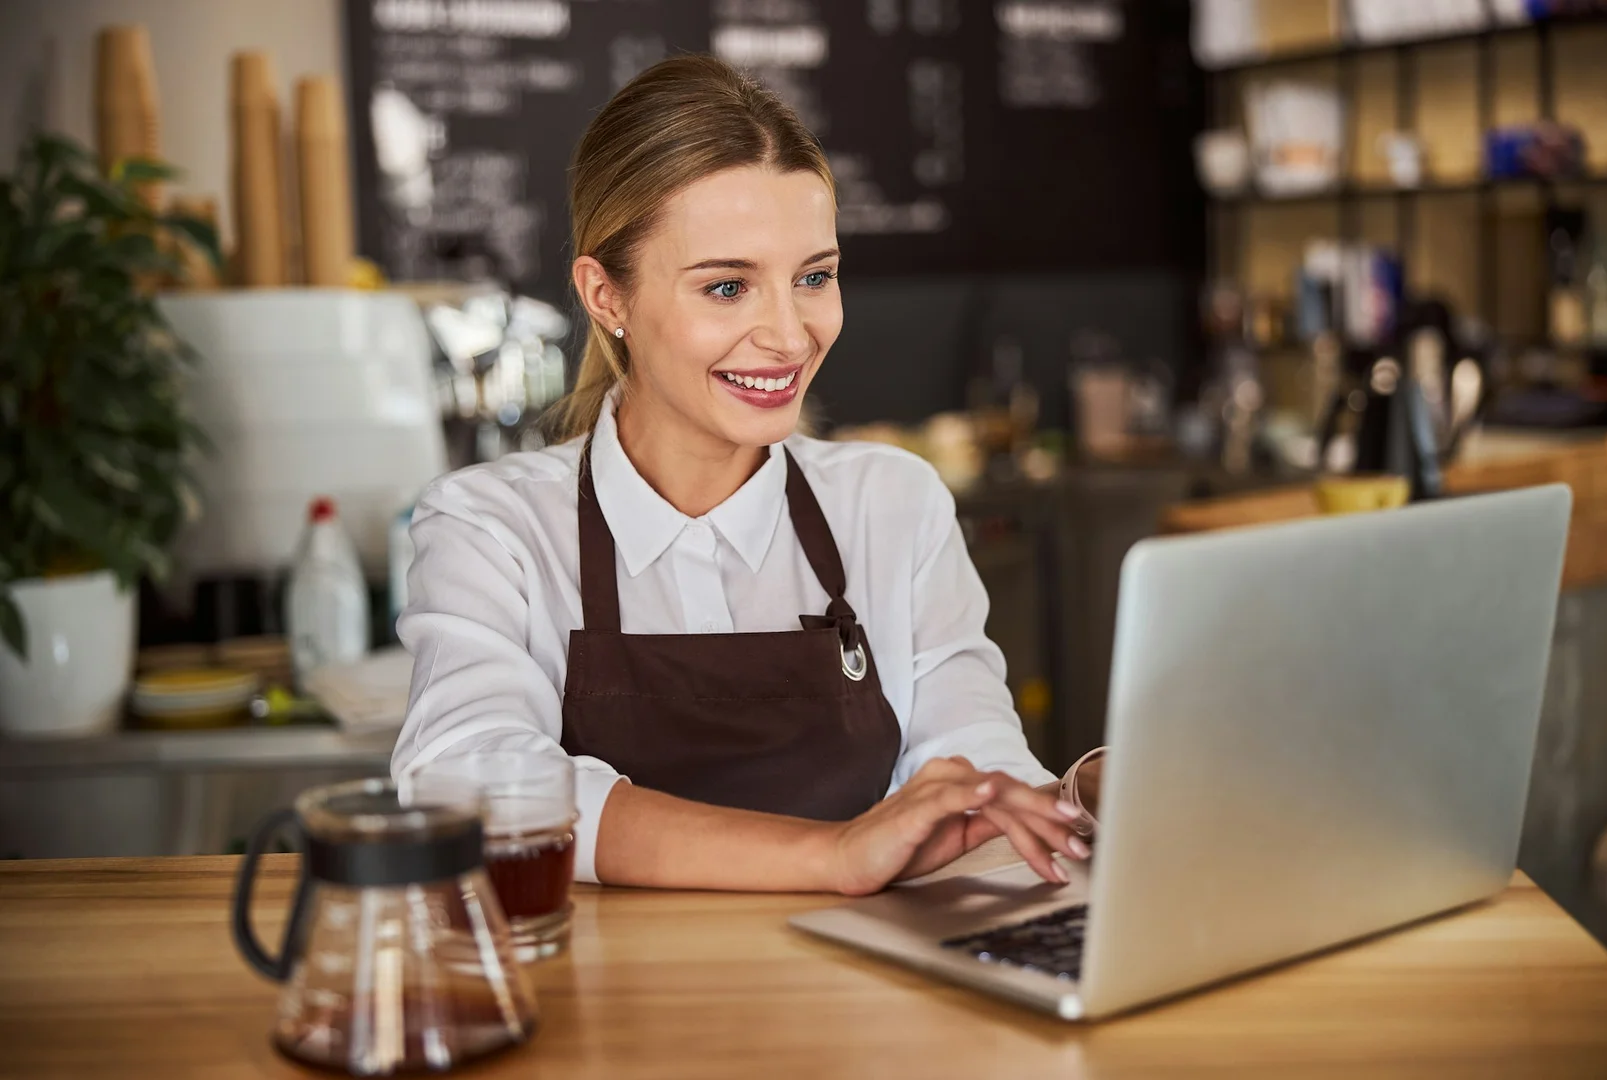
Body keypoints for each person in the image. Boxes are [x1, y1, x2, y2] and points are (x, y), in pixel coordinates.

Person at [393, 54, 1104, 896]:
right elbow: (473, 781)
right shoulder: (492, 529)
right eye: (727, 287)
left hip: (863, 1004)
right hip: (602, 1010)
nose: (790, 335)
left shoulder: (891, 502)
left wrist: (1058, 802)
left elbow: (968, 761)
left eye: (814, 277)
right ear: (605, 295)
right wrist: (828, 857)